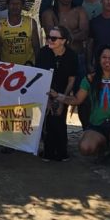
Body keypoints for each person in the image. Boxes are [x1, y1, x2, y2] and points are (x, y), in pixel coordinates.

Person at [51, 45, 110, 163]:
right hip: (97, 125)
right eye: (104, 57)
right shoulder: (90, 79)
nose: (107, 60)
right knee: (85, 148)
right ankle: (103, 148)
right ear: (98, 60)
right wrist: (58, 96)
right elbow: (77, 99)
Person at [35, 26, 79, 162]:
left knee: (59, 118)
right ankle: (48, 151)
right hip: (45, 91)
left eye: (54, 38)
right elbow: (39, 76)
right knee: (48, 121)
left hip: (62, 91)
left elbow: (71, 80)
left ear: (63, 40)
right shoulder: (43, 53)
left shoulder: (71, 56)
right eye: (49, 37)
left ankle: (61, 152)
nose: (50, 40)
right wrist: (47, 99)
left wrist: (62, 99)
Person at [0, 0, 40, 66]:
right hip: (7, 69)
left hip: (28, 67)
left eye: (18, 4)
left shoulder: (31, 23)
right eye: (12, 3)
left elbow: (36, 47)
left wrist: (38, 66)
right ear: (7, 5)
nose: (15, 6)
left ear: (23, 6)